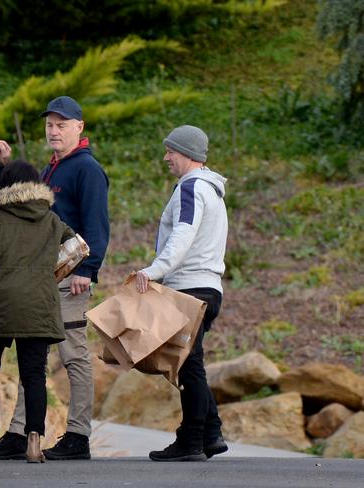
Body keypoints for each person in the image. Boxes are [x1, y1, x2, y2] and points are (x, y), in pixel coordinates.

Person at [0, 95, 110, 461]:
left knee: (74, 354)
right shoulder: (52, 168)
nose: (54, 131)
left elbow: (97, 225)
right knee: (32, 355)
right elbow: (19, 205)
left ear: (79, 127)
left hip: (71, 277)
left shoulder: (86, 170)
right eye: (49, 125)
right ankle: (19, 432)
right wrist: (3, 167)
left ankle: (78, 435)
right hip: (42, 279)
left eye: (61, 125)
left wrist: (87, 271)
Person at [0, 160, 75, 464]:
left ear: (5, 185)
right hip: (39, 302)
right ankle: (34, 443)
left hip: (0, 300)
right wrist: (51, 274)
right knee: (34, 376)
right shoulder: (51, 219)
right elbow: (76, 245)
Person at [135, 125, 228, 462]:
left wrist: (154, 270)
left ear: (187, 153)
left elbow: (183, 235)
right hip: (209, 286)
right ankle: (211, 433)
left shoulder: (191, 188)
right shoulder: (211, 190)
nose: (166, 157)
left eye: (170, 151)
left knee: (188, 366)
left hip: (189, 288)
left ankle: (190, 442)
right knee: (191, 362)